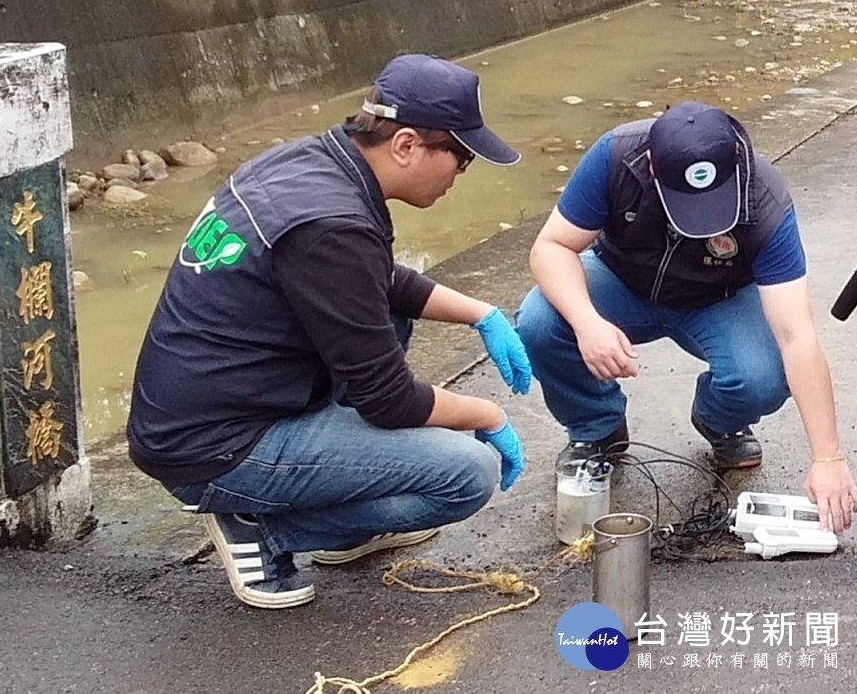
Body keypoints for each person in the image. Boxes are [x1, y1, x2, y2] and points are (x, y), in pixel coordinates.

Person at [126, 54, 532, 610]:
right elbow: (387, 400)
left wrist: (480, 313)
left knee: (390, 315)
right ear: (407, 144)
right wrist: (490, 415)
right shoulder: (332, 224)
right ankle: (262, 533)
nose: (460, 174)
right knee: (465, 473)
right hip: (215, 446)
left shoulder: (309, 163)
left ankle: (344, 524)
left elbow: (371, 282)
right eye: (461, 157)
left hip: (212, 404)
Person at [516, 101, 857, 533]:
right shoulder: (615, 156)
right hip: (621, 281)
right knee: (540, 320)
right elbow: (551, 247)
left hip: (718, 298)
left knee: (764, 375)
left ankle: (719, 419)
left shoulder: (765, 200)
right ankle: (596, 427)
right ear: (654, 168)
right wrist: (587, 320)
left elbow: (798, 336)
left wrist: (828, 457)